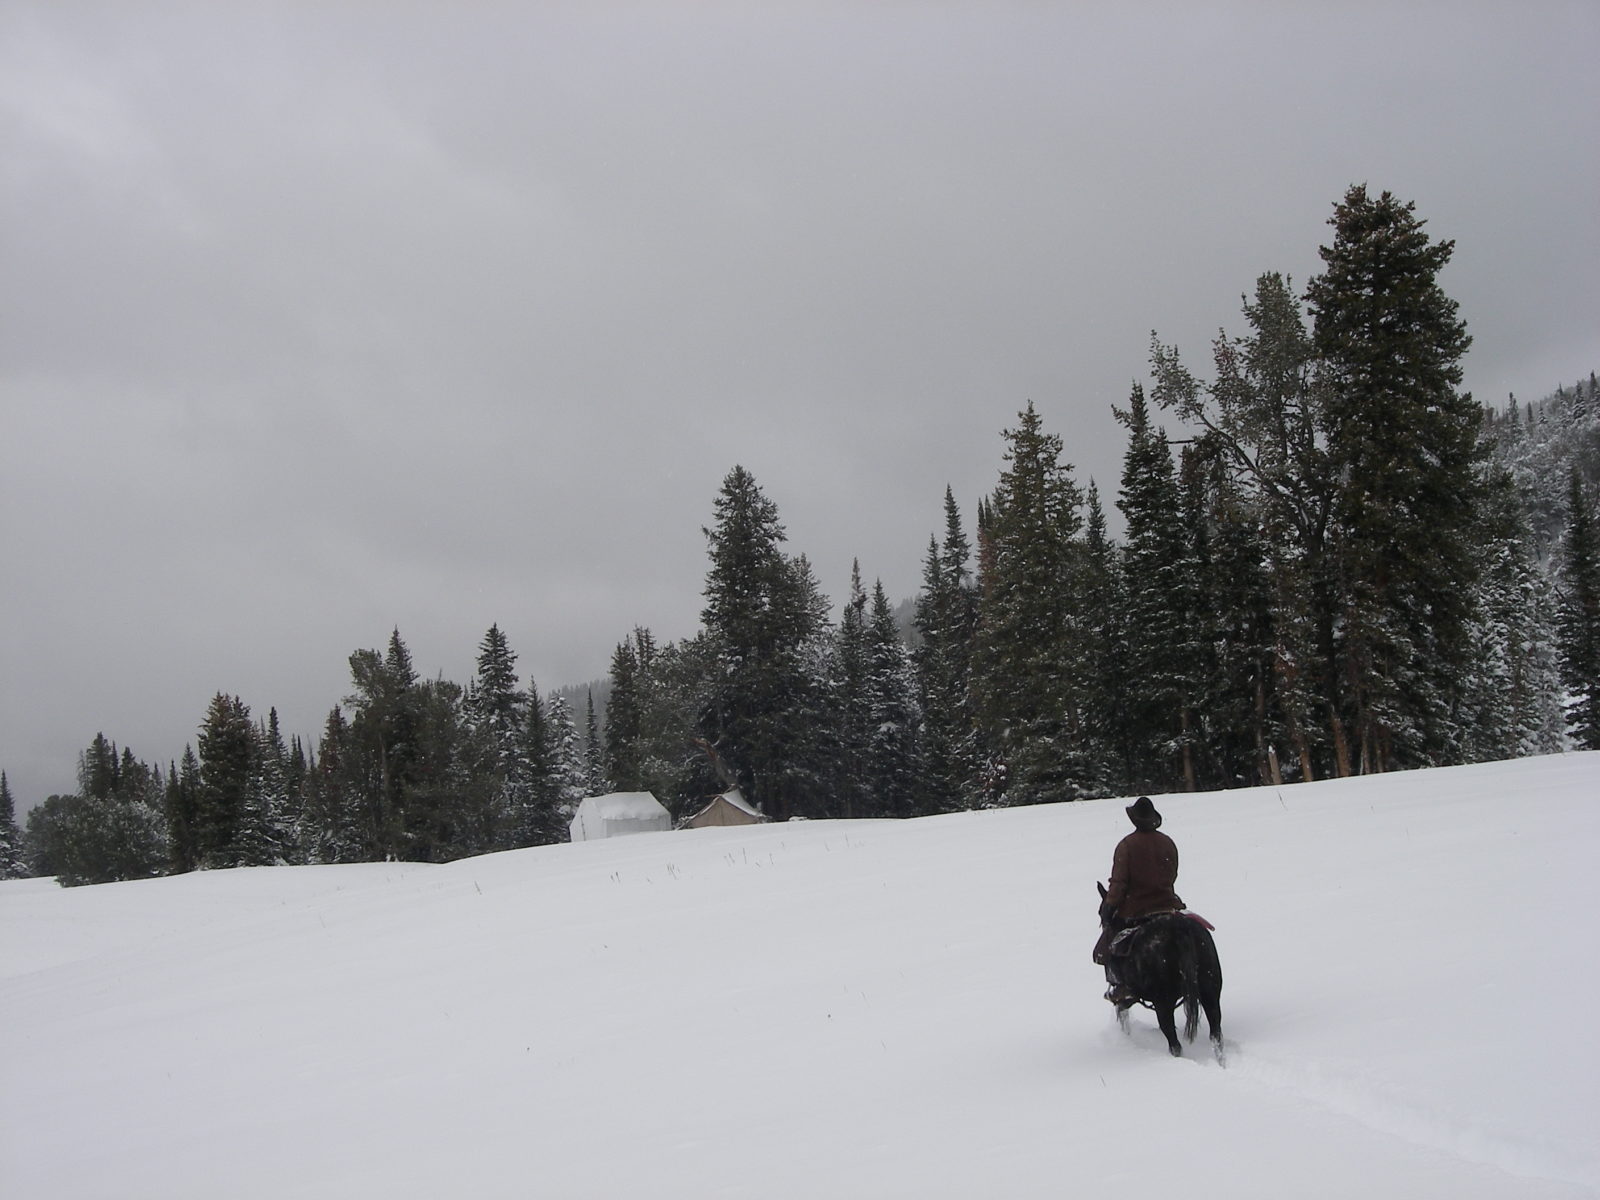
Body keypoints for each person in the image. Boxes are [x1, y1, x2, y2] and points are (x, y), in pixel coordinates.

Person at [1093, 795, 1183, 1003]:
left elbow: (1119, 883)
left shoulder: (1126, 846)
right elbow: (1172, 874)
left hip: (1137, 908)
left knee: (1111, 942)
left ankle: (1122, 987)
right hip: (1168, 904)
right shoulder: (1167, 842)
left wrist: (1110, 906)